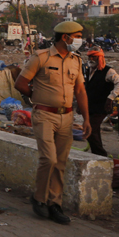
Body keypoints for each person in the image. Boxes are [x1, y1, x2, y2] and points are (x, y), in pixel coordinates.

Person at [14, 21, 91, 225]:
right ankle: (39, 198)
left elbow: (81, 91)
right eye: (77, 35)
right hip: (44, 115)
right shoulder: (41, 57)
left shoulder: (76, 60)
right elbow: (20, 83)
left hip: (67, 117)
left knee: (60, 162)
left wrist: (86, 119)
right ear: (65, 37)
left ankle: (54, 203)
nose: (79, 40)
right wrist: (36, 97)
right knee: (48, 158)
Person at [84, 47, 119, 157]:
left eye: (94, 56)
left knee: (91, 130)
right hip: (90, 106)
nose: (91, 58)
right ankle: (98, 155)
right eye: (89, 56)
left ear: (100, 58)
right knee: (94, 131)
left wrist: (111, 97)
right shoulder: (88, 70)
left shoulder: (108, 71)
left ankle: (101, 154)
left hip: (101, 107)